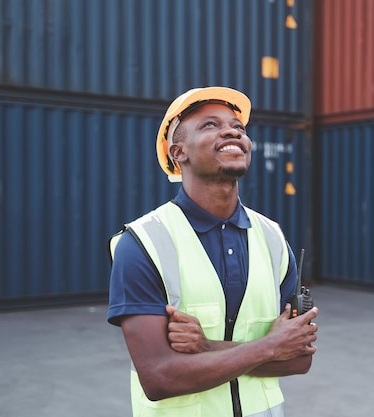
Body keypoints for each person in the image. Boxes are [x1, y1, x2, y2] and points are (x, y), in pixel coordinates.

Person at [107, 86, 319, 417]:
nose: (232, 131)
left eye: (238, 127)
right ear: (178, 152)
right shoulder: (143, 243)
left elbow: (299, 359)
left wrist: (207, 347)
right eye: (210, 125)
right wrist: (269, 347)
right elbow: (159, 376)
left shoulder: (273, 239)